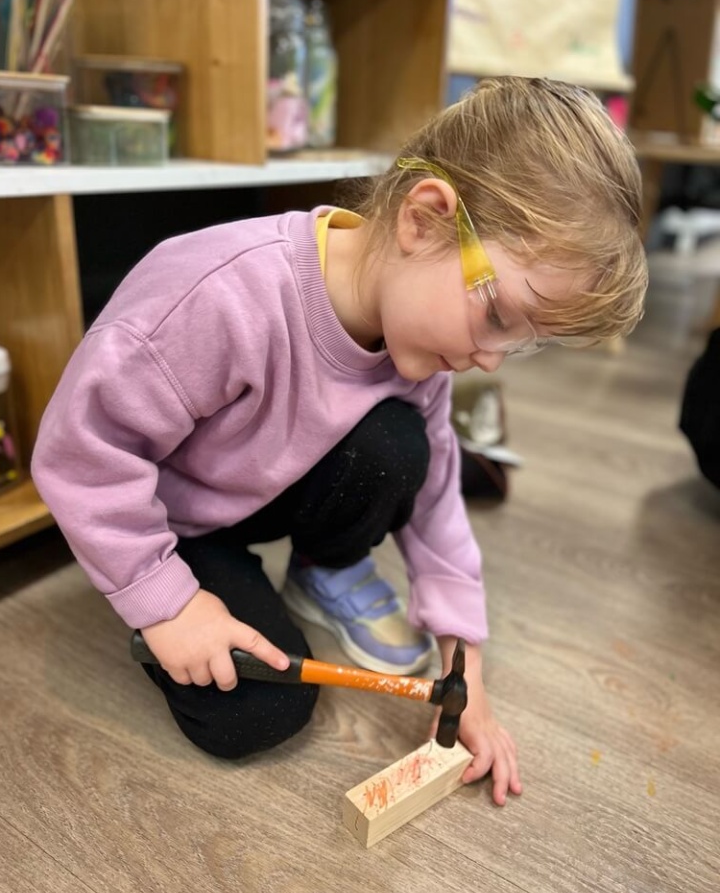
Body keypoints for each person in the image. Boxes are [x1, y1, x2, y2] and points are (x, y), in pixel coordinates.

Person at [32, 77, 648, 806]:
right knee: (260, 711)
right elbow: (81, 450)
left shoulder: (418, 336)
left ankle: (325, 567)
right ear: (423, 220)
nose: (492, 358)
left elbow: (437, 500)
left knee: (402, 446)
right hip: (169, 516)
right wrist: (167, 604)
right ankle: (170, 581)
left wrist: (464, 664)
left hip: (264, 483)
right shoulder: (221, 294)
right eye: (501, 319)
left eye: (524, 344)